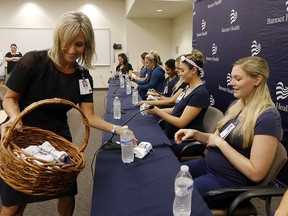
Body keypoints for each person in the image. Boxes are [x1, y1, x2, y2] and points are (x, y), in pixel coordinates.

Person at [0, 11, 135, 216]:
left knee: (66, 192)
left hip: (59, 138)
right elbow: (10, 98)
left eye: (79, 45)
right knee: (15, 202)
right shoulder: (33, 61)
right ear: (59, 39)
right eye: (67, 43)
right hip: (24, 134)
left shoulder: (83, 76)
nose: (72, 50)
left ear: (86, 45)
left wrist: (120, 130)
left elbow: (88, 116)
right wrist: (13, 117)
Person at [174, 56, 282, 208]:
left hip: (230, 182)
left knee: (179, 195)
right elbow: (214, 139)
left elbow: (256, 173)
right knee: (170, 176)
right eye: (232, 78)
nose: (232, 83)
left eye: (238, 79)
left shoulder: (268, 117)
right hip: (208, 166)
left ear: (257, 80)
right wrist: (195, 133)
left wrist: (221, 144)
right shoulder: (236, 106)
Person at [147, 50, 210, 150]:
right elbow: (175, 109)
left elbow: (181, 122)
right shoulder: (188, 88)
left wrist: (158, 112)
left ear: (193, 70)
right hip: (172, 134)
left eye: (182, 70)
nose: (179, 74)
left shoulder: (200, 94)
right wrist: (152, 109)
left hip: (184, 140)